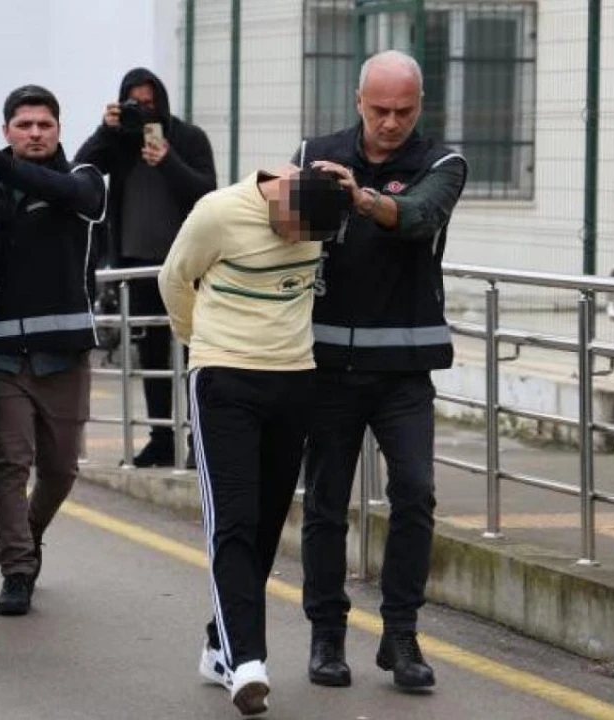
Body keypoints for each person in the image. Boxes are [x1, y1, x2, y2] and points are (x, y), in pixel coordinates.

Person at [296, 50, 468, 690]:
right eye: (380, 110)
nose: (391, 123)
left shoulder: (442, 163)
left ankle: (400, 633)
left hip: (403, 369)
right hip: (328, 368)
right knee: (324, 505)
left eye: (404, 111)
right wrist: (286, 195)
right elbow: (282, 229)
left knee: (415, 495)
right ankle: (326, 634)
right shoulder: (316, 153)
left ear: (420, 107)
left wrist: (361, 200)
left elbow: (419, 217)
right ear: (358, 102)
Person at [159, 166, 350, 717]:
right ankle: (246, 662)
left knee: (266, 525)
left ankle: (218, 644)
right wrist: (200, 342)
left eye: (307, 237)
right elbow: (173, 279)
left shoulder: (318, 208)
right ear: (279, 197)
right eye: (291, 229)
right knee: (234, 520)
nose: (295, 241)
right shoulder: (218, 213)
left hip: (294, 378)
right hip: (225, 378)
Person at [0, 85, 107, 617]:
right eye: (24, 125)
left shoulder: (82, 179)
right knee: (9, 463)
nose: (34, 133)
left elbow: (73, 195)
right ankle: (17, 569)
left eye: (44, 125)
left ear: (58, 130)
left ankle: (29, 535)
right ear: (6, 130)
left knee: (60, 469)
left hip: (63, 354)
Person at [76, 67, 216, 468]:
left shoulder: (188, 138)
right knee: (151, 357)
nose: (144, 111)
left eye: (150, 103)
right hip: (136, 268)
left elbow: (206, 191)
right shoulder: (119, 142)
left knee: (194, 355)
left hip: (187, 267)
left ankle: (198, 440)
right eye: (135, 103)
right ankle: (160, 438)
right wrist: (106, 130)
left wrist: (168, 159)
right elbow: (78, 169)